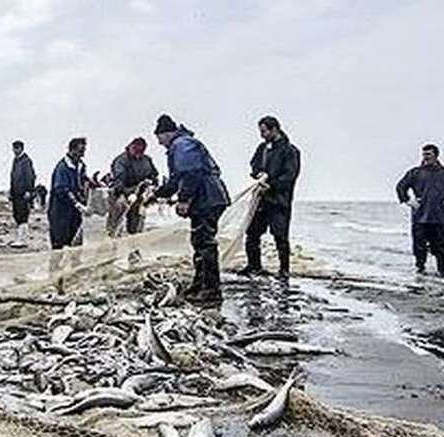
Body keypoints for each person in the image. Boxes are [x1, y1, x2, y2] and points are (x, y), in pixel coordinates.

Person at [152, 115, 231, 302]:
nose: (159, 143)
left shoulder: (182, 144)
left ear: (166, 133)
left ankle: (211, 289)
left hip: (207, 197)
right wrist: (156, 194)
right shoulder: (181, 145)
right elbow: (175, 180)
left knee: (205, 243)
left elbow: (191, 173)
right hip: (206, 197)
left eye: (159, 138)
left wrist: (184, 200)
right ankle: (199, 284)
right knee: (199, 241)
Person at [241, 116, 301, 278]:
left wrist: (272, 185)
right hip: (260, 199)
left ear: (275, 129)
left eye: (264, 131)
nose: (262, 135)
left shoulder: (290, 151)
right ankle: (254, 266)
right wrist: (258, 174)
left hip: (279, 201)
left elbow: (290, 176)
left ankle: (284, 270)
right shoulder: (262, 148)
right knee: (252, 233)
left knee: (280, 236)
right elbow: (254, 165)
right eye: (260, 131)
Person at [395, 144, 444, 275]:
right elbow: (400, 187)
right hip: (420, 216)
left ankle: (442, 271)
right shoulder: (415, 172)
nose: (425, 157)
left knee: (441, 247)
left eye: (428, 154)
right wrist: (408, 201)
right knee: (419, 246)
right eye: (424, 154)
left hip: (441, 216)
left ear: (436, 155)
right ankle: (420, 270)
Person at [106, 138, 159, 237]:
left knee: (136, 220)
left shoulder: (147, 160)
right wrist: (124, 193)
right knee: (117, 219)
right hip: (121, 193)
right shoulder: (121, 160)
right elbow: (119, 180)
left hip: (139, 193)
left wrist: (152, 182)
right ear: (131, 147)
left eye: (141, 150)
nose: (138, 153)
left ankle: (134, 239)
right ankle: (111, 238)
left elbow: (154, 174)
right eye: (136, 149)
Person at [49, 138, 89, 249]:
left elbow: (83, 182)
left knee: (75, 243)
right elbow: (61, 189)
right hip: (60, 212)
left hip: (75, 213)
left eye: (84, 151)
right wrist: (76, 203)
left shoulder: (81, 166)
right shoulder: (62, 168)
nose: (82, 154)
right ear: (72, 150)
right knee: (60, 242)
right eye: (80, 151)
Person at [9, 140, 36, 248]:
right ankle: (19, 238)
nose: (15, 151)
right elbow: (13, 178)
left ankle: (22, 240)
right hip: (16, 193)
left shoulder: (26, 161)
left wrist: (29, 191)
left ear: (21, 148)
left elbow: (30, 177)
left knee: (23, 216)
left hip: (23, 193)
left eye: (17, 148)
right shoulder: (15, 161)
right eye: (14, 148)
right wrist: (11, 192)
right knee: (17, 215)